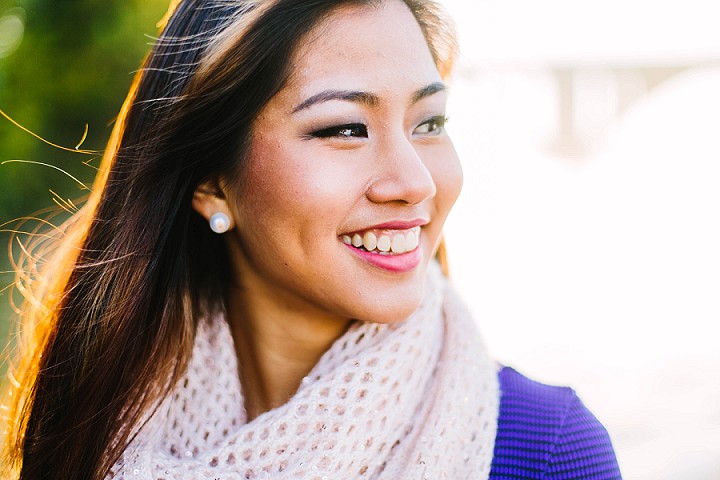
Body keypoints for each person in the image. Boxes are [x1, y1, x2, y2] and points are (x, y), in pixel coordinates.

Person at [1, 0, 622, 479]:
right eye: (345, 128)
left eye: (428, 122)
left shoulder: (543, 448)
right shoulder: (88, 426)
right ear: (212, 181)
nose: (413, 181)